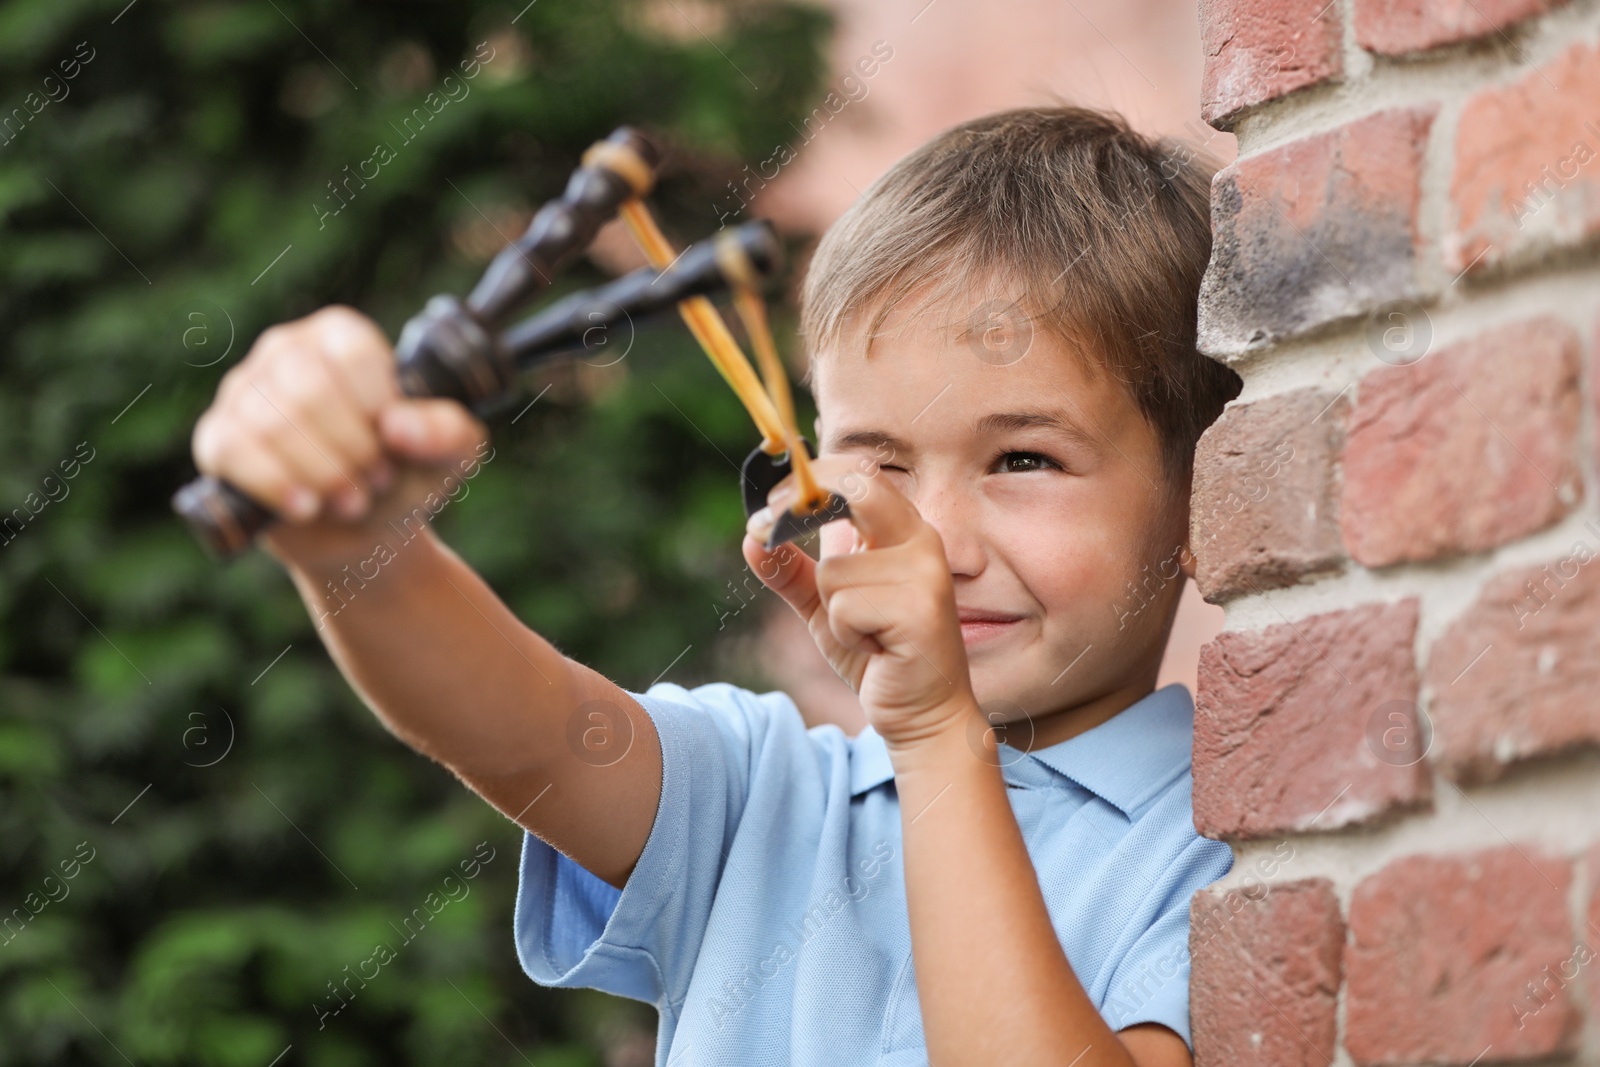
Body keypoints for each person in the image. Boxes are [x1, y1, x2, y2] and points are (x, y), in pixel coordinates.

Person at [190, 106, 1242, 1066]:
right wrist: (354, 545)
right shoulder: (757, 792)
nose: (939, 541)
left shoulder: (1240, 853)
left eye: (1024, 460)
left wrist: (935, 736)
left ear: (1207, 502)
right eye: (875, 461)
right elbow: (519, 728)